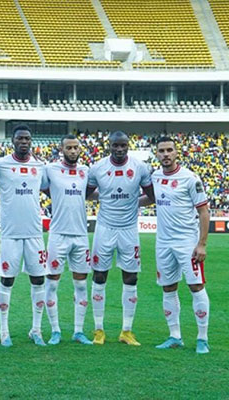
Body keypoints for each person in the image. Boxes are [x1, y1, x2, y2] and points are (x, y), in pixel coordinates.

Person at [86, 131, 154, 346]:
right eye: (115, 145)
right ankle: (98, 330)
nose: (119, 149)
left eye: (123, 145)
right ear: (109, 145)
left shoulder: (140, 168)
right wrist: (104, 199)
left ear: (128, 145)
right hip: (104, 229)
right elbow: (88, 194)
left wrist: (135, 203)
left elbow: (152, 196)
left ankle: (127, 331)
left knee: (131, 277)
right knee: (99, 276)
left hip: (129, 230)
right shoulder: (97, 168)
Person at [149, 137, 211, 354]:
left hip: (187, 242)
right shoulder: (155, 177)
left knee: (196, 286)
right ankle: (175, 336)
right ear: (156, 154)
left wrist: (201, 244)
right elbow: (151, 199)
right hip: (163, 242)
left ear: (177, 153)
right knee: (168, 287)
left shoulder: (190, 178)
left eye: (169, 150)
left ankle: (202, 338)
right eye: (161, 151)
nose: (165, 154)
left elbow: (204, 211)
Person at [0, 124, 47, 347]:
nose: (24, 142)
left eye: (28, 139)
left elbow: (47, 189)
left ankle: (36, 329)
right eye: (20, 138)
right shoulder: (2, 165)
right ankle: (4, 331)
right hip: (10, 234)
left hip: (34, 234)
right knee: (7, 279)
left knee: (38, 279)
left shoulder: (39, 166)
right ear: (12, 141)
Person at [40, 135, 93, 346]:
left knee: (81, 284)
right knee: (52, 283)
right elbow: (43, 188)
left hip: (80, 235)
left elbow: (88, 193)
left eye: (76, 147)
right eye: (69, 147)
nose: (73, 151)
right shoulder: (51, 169)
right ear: (61, 149)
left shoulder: (86, 171)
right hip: (58, 235)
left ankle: (79, 331)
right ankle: (55, 330)